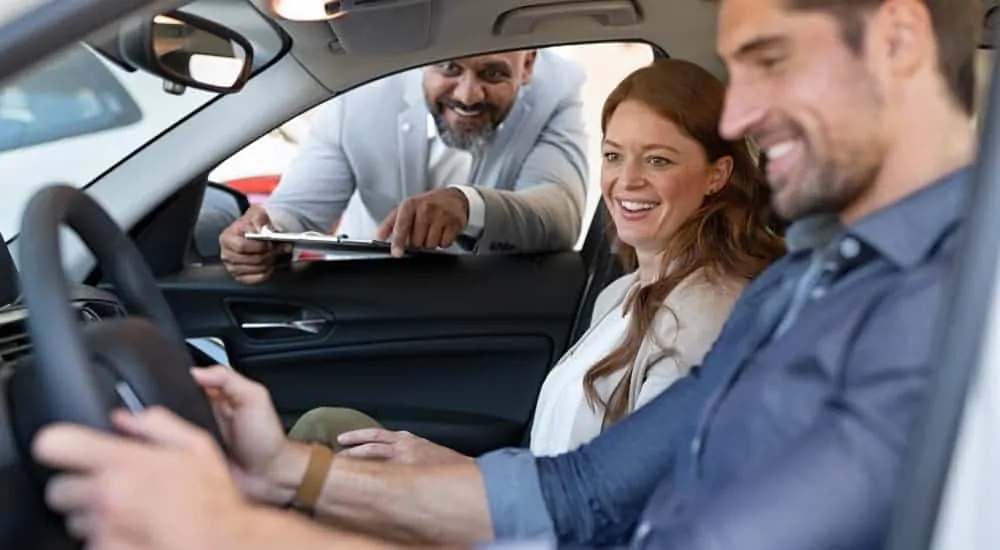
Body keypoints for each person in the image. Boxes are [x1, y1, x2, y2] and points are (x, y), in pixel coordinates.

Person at [31, 0, 982, 549]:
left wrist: (229, 532)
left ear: (896, 39)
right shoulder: (808, 281)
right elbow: (585, 495)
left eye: (770, 63)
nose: (740, 116)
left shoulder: (943, 321)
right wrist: (283, 468)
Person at [289, 58, 785, 462]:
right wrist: (450, 468)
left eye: (658, 160)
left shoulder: (707, 314)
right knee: (327, 430)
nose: (626, 181)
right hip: (537, 511)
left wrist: (460, 485)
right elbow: (564, 465)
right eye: (614, 156)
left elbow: (633, 500)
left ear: (717, 174)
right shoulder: (622, 292)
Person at [216, 49, 589, 284]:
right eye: (449, 66)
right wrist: (262, 237)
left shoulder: (556, 91)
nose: (467, 95)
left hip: (485, 303)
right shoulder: (362, 90)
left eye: (493, 74)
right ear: (423, 59)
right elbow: (295, 212)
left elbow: (560, 213)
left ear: (528, 65)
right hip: (371, 289)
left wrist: (467, 206)